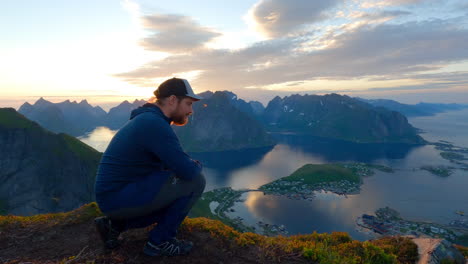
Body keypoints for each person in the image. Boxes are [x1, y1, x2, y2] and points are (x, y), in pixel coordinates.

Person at [93, 77, 205, 257]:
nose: (191, 110)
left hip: (114, 196)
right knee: (196, 181)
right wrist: (196, 164)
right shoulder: (154, 124)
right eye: (188, 103)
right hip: (117, 197)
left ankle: (115, 226)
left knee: (172, 189)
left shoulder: (148, 119)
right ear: (172, 100)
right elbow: (188, 171)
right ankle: (159, 242)